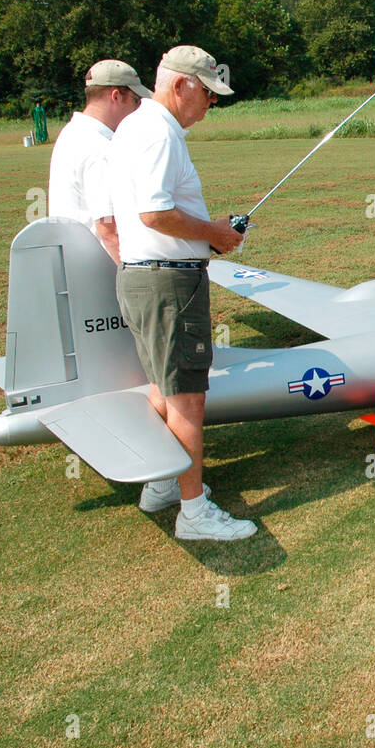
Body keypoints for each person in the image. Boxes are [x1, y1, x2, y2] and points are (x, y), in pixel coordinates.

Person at [109, 45, 256, 541]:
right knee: (188, 400)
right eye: (208, 94)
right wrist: (214, 234)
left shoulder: (133, 126)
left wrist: (208, 236)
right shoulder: (159, 134)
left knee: (161, 390)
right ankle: (194, 514)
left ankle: (162, 486)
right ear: (180, 85)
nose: (210, 105)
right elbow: (155, 213)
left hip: (141, 275)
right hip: (169, 282)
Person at [47, 60, 151, 263]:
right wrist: (137, 280)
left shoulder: (72, 133)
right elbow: (110, 231)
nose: (138, 108)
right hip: (99, 272)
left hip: (75, 266)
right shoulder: (99, 148)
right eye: (136, 101)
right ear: (116, 96)